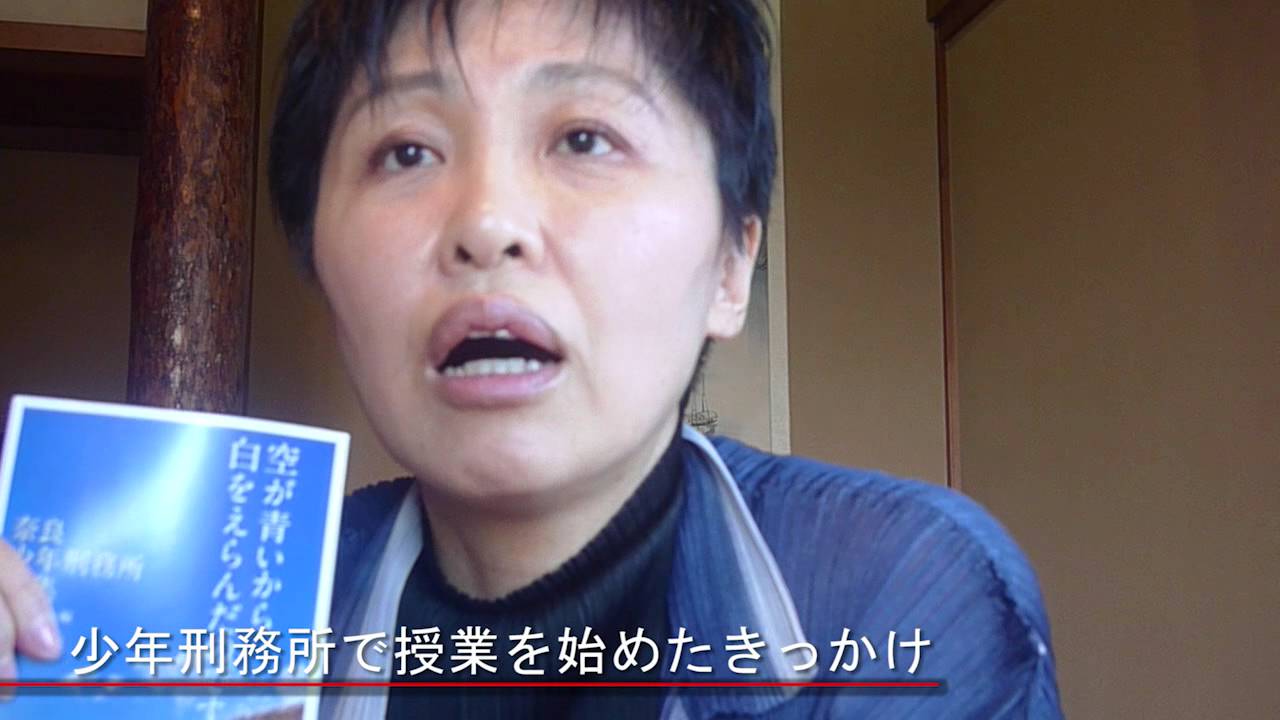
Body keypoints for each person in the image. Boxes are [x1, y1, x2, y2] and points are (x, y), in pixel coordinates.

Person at [1, 0, 1063, 717]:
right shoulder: (232, 611)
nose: (488, 224)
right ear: (318, 261)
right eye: (405, 150)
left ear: (732, 266)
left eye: (584, 138)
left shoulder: (896, 595)